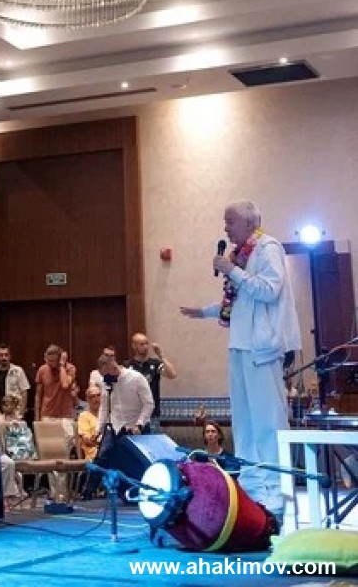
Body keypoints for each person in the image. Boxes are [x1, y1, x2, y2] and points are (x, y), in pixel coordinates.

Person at [180, 199, 301, 522]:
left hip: (262, 349)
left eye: (230, 221)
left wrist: (231, 270)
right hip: (240, 346)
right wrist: (204, 311)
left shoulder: (268, 248)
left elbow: (269, 290)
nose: (225, 228)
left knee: (267, 422)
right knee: (244, 423)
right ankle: (250, 488)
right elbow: (237, 303)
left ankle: (275, 492)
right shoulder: (240, 255)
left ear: (250, 223)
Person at [125, 332, 177, 432]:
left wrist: (161, 356)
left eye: (146, 344)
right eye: (141, 344)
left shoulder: (155, 364)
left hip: (152, 414)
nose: (145, 347)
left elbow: (172, 374)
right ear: (134, 346)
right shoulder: (127, 366)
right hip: (133, 415)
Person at [96, 353, 154, 435]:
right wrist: (98, 429)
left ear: (114, 368)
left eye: (107, 375)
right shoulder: (105, 382)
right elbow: (104, 407)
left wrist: (139, 424)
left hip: (136, 426)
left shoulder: (136, 378)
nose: (105, 378)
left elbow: (148, 404)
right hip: (116, 428)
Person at [34, 344, 75, 420]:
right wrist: (37, 417)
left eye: (54, 361)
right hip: (47, 413)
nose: (51, 364)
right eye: (49, 361)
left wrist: (61, 366)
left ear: (59, 359)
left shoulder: (70, 368)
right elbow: (38, 395)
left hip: (64, 413)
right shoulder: (42, 370)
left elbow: (65, 385)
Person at [0, 345, 30, 414]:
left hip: (15, 412)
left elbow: (24, 392)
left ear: (10, 356)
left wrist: (21, 412)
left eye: (6, 355)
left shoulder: (18, 371)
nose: (4, 357)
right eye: (1, 355)